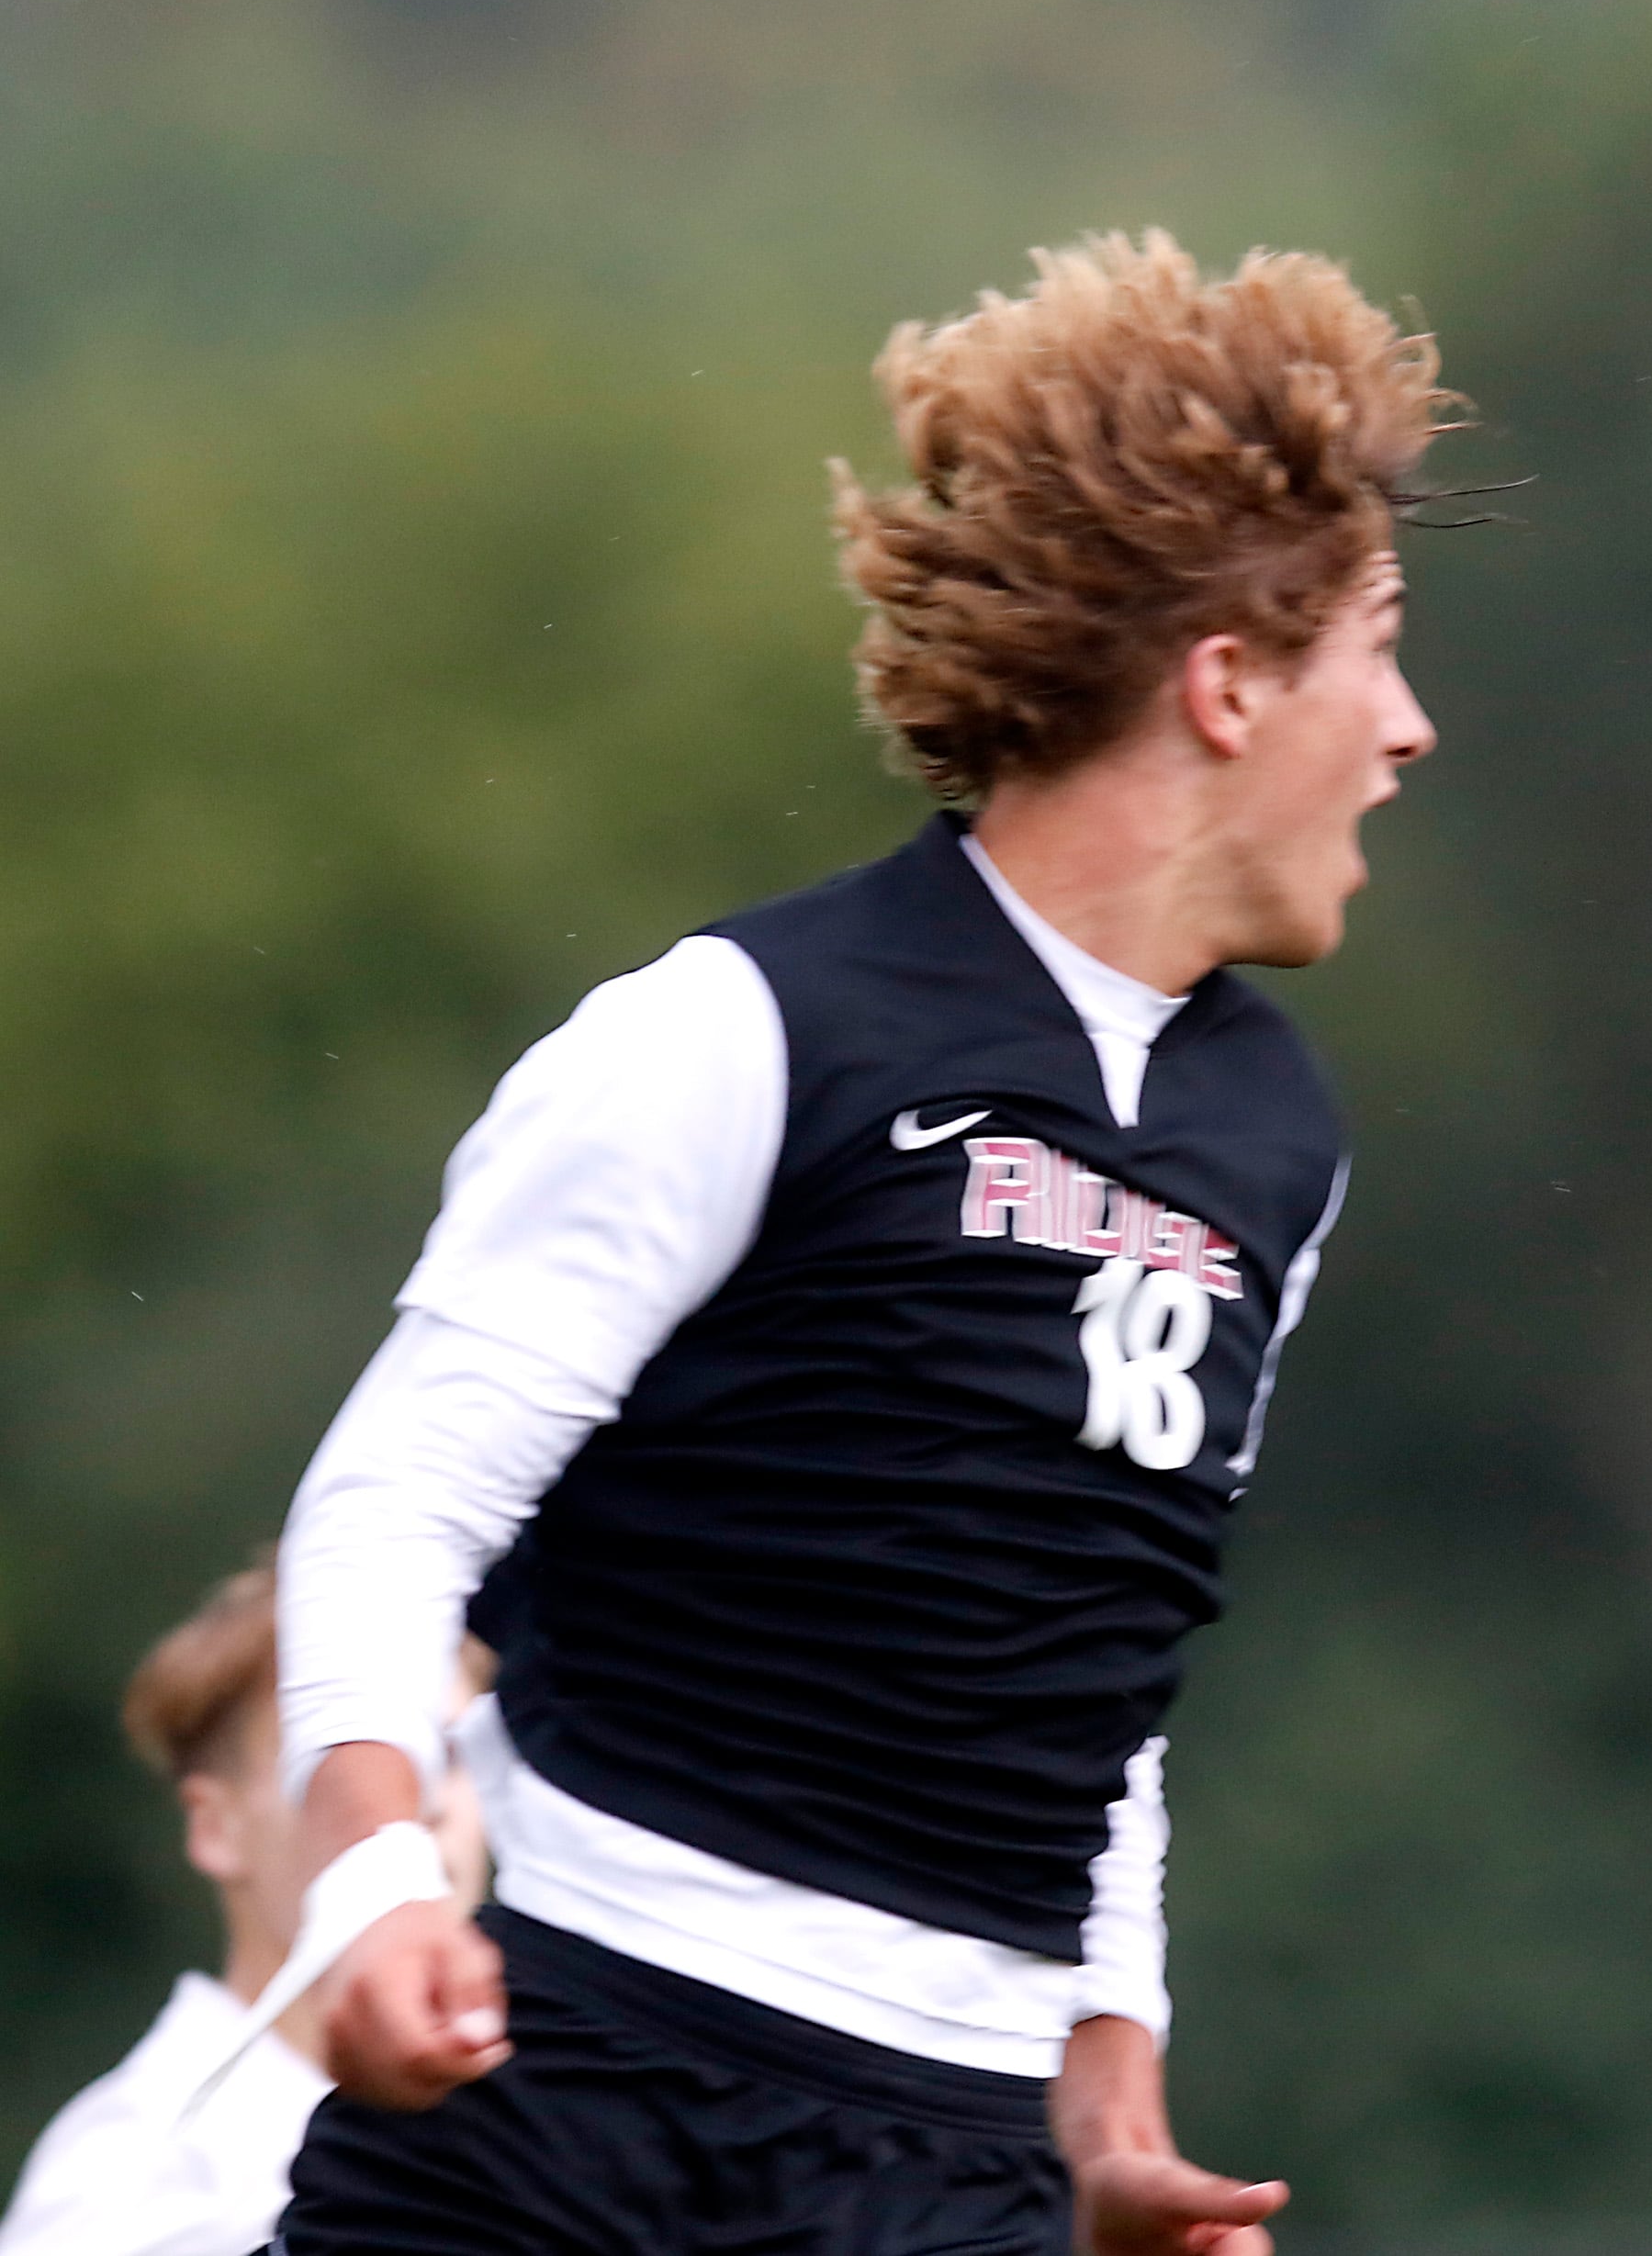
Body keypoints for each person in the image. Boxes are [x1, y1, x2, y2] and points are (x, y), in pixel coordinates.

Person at [266, 230, 1448, 2254]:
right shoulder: (735, 1028)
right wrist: (372, 1870)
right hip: (569, 2095)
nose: (1413, 727)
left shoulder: (1281, 1139)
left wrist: (1109, 2088)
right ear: (1231, 683)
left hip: (955, 2169)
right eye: (1381, 646)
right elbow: (395, 1503)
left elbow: (1097, 1660)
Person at [0, 1566, 483, 2256]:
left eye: (451, 1753)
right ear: (215, 1826)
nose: (424, 1801)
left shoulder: (587, 2103)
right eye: (338, 1764)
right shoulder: (136, 2181)